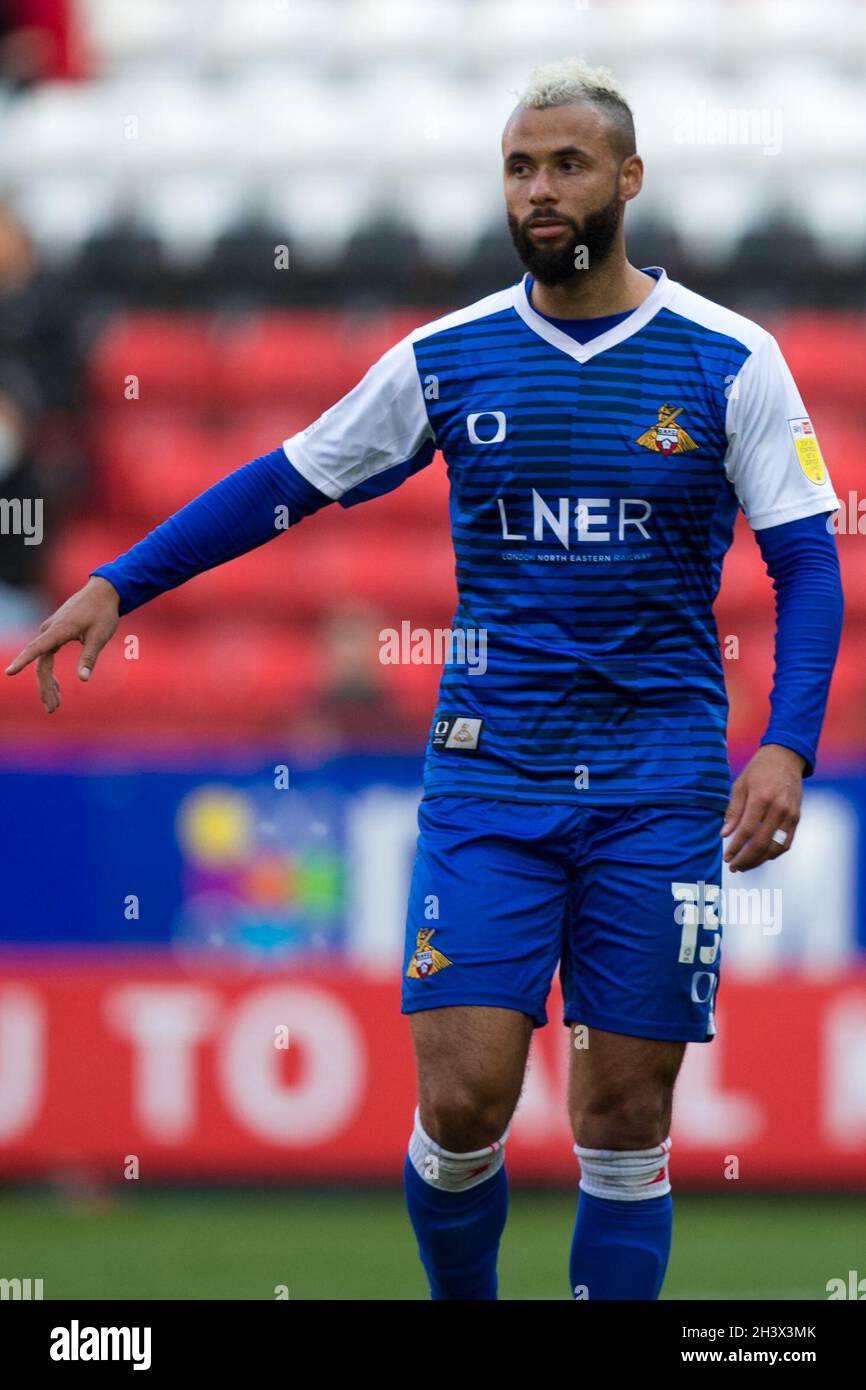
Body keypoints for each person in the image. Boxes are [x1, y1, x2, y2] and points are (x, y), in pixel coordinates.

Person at [6, 59, 843, 1300]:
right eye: (517, 167)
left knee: (620, 1110)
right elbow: (284, 481)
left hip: (658, 779)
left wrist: (785, 743)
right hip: (488, 774)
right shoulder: (448, 359)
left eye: (565, 164)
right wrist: (122, 582)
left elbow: (806, 570)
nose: (539, 189)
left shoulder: (729, 359)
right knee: (461, 1101)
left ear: (628, 178)